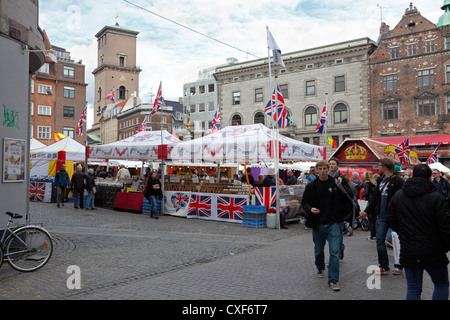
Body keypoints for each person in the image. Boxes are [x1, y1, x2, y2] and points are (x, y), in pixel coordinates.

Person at [388, 164, 450, 300]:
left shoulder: (399, 195)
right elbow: (445, 225)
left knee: (413, 288)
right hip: (432, 249)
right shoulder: (436, 197)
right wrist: (445, 246)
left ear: (412, 175)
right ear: (430, 177)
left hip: (409, 248)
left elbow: (390, 218)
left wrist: (403, 232)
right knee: (441, 284)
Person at [301, 160, 352, 291]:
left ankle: (333, 280)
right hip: (318, 224)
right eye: (320, 169)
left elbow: (349, 197)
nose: (323, 171)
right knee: (318, 250)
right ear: (316, 170)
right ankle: (320, 267)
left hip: (334, 223)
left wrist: (344, 218)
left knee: (334, 252)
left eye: (325, 168)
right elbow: (304, 203)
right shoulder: (311, 186)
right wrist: (310, 209)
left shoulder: (336, 183)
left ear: (329, 168)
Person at [360, 157, 404, 275]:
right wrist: (367, 211)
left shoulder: (399, 181)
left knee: (398, 241)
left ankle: (399, 265)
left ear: (385, 166)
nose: (378, 167)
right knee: (380, 240)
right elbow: (375, 198)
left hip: (395, 216)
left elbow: (402, 199)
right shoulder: (380, 180)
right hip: (382, 216)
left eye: (379, 165)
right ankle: (384, 266)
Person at [328, 157, 358, 260]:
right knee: (329, 234)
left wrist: (340, 185)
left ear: (337, 166)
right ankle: (339, 249)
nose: (331, 165)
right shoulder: (325, 177)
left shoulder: (341, 178)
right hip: (328, 209)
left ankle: (338, 251)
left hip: (338, 210)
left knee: (338, 233)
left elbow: (349, 192)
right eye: (330, 164)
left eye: (333, 164)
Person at [361, 171, 377, 240]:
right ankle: (376, 235)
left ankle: (372, 236)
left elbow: (365, 193)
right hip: (375, 202)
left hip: (370, 202)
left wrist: (362, 195)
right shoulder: (375, 183)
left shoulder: (366, 184)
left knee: (371, 220)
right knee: (375, 220)